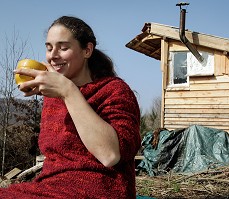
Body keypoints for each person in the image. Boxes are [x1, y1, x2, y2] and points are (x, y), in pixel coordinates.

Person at [1, 16, 141, 198]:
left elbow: (110, 155)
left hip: (100, 190)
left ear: (87, 50)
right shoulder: (53, 96)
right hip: (51, 187)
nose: (53, 55)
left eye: (63, 47)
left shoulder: (115, 90)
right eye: (49, 48)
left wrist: (68, 92)